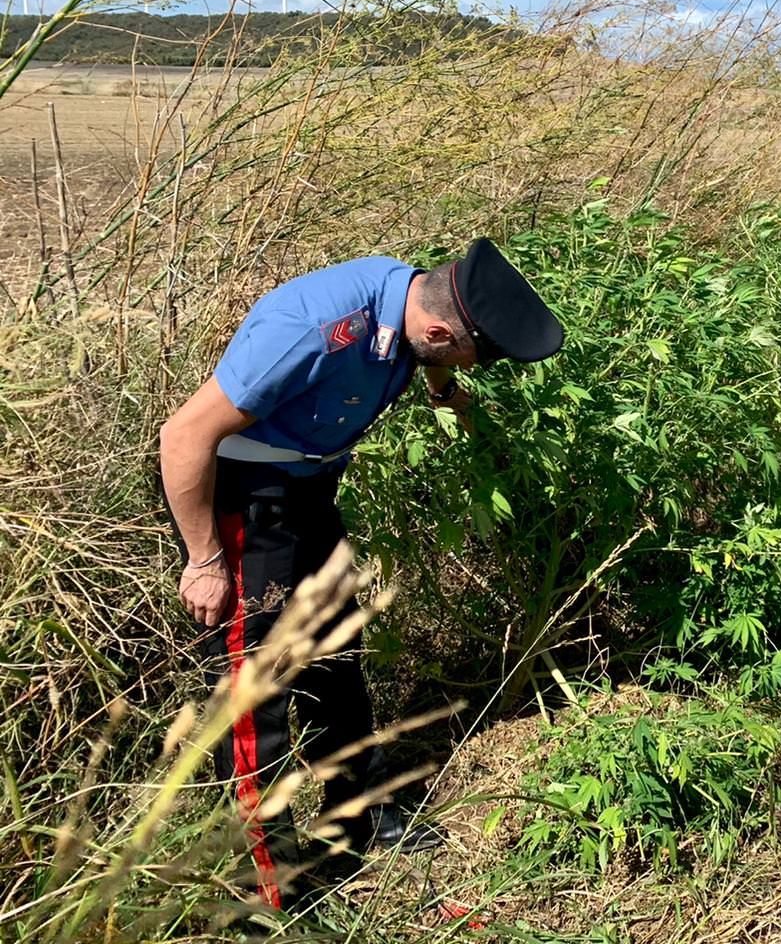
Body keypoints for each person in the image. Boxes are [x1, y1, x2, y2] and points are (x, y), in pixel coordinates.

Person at [158, 238, 563, 911]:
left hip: (307, 491)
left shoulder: (410, 310)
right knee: (255, 694)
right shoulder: (316, 330)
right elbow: (183, 437)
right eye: (470, 354)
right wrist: (204, 561)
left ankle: (362, 812)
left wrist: (444, 388)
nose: (470, 366)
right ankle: (269, 888)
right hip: (243, 503)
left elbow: (423, 353)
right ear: (440, 331)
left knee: (339, 656)